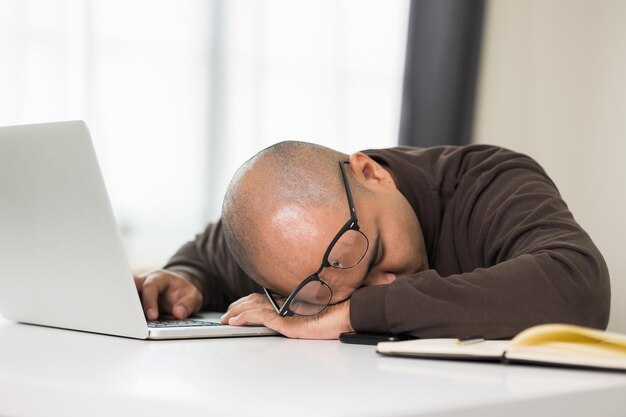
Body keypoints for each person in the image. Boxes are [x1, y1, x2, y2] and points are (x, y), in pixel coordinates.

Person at [134, 141, 610, 340]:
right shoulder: (297, 240)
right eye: (321, 297)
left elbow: (577, 289)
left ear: (373, 173)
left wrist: (341, 316)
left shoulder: (489, 180)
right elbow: (216, 249)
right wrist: (184, 279)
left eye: (376, 254)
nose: (377, 286)